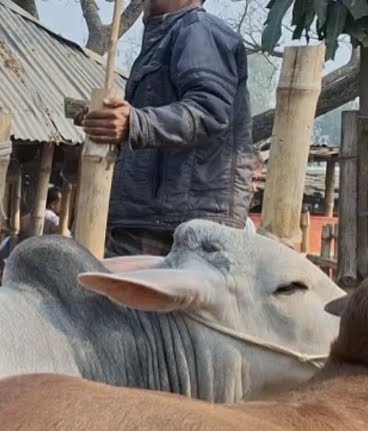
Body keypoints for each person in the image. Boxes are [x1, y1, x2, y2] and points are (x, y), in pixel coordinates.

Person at [76, 0, 252, 257]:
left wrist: (136, 123)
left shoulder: (198, 31)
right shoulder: (162, 40)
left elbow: (209, 110)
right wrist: (111, 123)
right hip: (153, 218)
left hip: (180, 227)